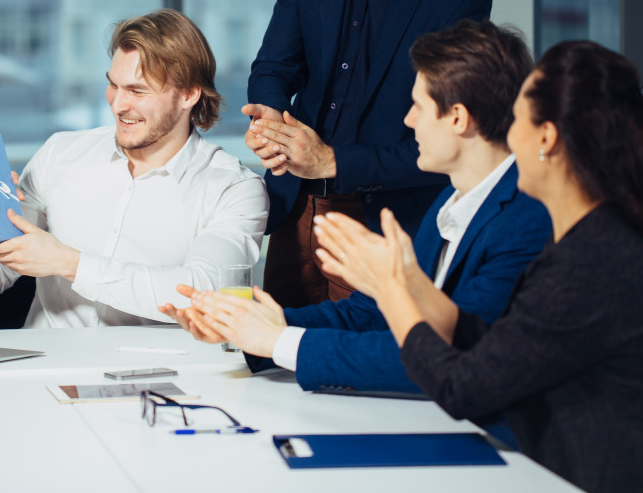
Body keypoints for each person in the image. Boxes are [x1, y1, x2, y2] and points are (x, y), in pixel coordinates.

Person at [313, 41, 643, 492]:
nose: (507, 136)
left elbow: (463, 386)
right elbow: (492, 344)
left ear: (545, 138)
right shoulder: (595, 241)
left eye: (518, 122)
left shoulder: (592, 262)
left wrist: (392, 288)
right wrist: (404, 279)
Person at [162, 20, 551, 395]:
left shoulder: (526, 222)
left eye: (418, 106)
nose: (408, 120)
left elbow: (446, 355)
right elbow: (369, 314)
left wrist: (280, 341)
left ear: (458, 118)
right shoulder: (448, 206)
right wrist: (249, 327)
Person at [245, 0, 492, 308]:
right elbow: (274, 66)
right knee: (272, 355)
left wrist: (333, 161)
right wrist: (271, 120)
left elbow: (452, 142)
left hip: (387, 227)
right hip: (296, 209)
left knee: (364, 366)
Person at [0, 9, 269, 327]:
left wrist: (70, 264)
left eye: (137, 90)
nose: (118, 104)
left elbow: (204, 294)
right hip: (46, 371)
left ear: (189, 95)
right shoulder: (60, 153)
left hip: (164, 377)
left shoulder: (234, 188)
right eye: (113, 85)